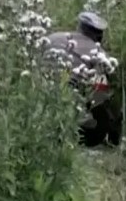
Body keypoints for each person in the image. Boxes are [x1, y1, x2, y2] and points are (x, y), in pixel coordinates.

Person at [43, 11, 121, 147]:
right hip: (72, 101)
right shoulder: (100, 56)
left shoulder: (53, 37)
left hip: (43, 91)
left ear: (79, 26)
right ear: (100, 35)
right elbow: (99, 95)